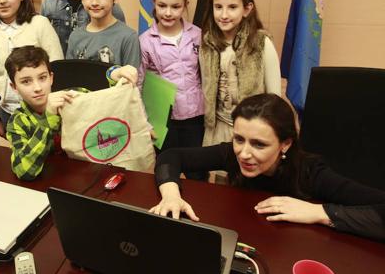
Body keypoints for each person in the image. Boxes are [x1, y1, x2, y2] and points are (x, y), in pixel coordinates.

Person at [150, 93, 385, 241]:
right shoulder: (232, 154)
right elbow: (171, 156)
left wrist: (320, 212)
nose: (244, 153)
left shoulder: (311, 173)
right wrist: (171, 195)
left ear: (285, 144)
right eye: (239, 139)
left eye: (259, 144)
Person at [0, 0, 63, 138]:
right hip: (8, 111)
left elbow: (58, 68)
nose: (2, 0)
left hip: (43, 110)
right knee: (22, 160)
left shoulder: (40, 24)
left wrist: (54, 109)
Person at [200, 0, 281, 147]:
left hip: (252, 130)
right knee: (218, 171)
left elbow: (274, 97)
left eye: (232, 7)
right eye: (218, 7)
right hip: (216, 129)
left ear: (247, 9)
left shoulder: (261, 43)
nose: (223, 15)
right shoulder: (207, 43)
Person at [138, 0, 204, 171]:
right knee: (167, 168)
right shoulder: (145, 41)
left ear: (185, 5)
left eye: (175, 7)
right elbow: (138, 84)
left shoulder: (197, 34)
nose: (168, 13)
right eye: (162, 5)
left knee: (197, 170)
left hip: (196, 117)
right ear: (153, 3)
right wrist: (145, 124)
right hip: (163, 119)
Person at [5, 46, 77, 180]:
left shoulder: (70, 98)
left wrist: (112, 75)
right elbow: (24, 171)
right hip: (47, 182)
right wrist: (47, 121)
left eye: (42, 78)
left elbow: (108, 103)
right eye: (26, 81)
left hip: (82, 175)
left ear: (51, 78)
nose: (37, 88)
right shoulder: (18, 121)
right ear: (14, 87)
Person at [66, 0, 140, 68]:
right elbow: (70, 75)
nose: (94, 2)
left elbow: (131, 81)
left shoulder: (128, 37)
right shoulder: (75, 37)